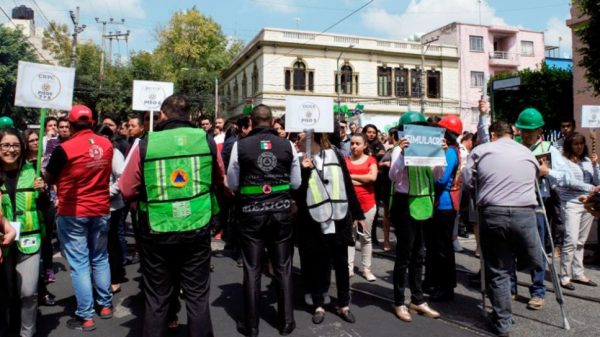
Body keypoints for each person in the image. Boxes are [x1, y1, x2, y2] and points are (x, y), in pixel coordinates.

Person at [120, 95, 222, 337]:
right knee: (197, 298)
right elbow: (220, 178)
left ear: (162, 116)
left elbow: (126, 188)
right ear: (189, 116)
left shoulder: (146, 143)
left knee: (157, 299)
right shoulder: (206, 141)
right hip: (197, 227)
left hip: (156, 230)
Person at [464, 120, 545, 336]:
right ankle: (532, 263)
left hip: (493, 212)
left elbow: (467, 179)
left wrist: (479, 192)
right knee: (530, 255)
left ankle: (503, 322)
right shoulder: (526, 152)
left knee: (498, 269)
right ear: (513, 133)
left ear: (492, 135)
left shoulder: (481, 150)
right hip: (524, 212)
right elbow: (535, 177)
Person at [227, 104, 300, 337]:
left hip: (251, 214)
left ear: (251, 120)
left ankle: (251, 325)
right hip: (280, 213)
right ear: (271, 120)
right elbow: (296, 182)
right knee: (283, 267)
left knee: (252, 268)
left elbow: (232, 183)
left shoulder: (240, 145)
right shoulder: (287, 144)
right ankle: (286, 322)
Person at [45, 105, 114, 331]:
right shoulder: (106, 145)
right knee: (100, 257)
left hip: (73, 212)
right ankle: (105, 305)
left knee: (80, 264)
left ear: (72, 125)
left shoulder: (64, 149)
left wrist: (45, 173)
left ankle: (86, 315)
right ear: (92, 122)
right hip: (101, 209)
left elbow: (49, 176)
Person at [295, 131, 365, 326]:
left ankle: (344, 304)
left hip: (339, 218)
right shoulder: (300, 161)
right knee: (318, 262)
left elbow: (347, 185)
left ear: (312, 137)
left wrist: (358, 213)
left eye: (300, 137)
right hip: (313, 221)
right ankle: (319, 304)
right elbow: (297, 194)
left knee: (341, 263)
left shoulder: (336, 155)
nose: (297, 140)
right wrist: (304, 170)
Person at [514, 107, 571, 310]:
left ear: (540, 130)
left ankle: (538, 291)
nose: (527, 134)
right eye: (523, 130)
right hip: (516, 201)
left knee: (537, 249)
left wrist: (549, 172)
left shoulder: (550, 148)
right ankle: (512, 288)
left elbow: (566, 176)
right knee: (513, 248)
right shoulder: (515, 146)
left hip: (538, 202)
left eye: (531, 130)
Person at [389, 111, 441, 323]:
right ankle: (399, 301)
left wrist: (440, 155)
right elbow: (393, 175)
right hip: (404, 204)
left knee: (419, 254)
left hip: (423, 203)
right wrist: (402, 153)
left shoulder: (428, 149)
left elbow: (437, 176)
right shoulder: (397, 150)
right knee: (404, 256)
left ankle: (417, 299)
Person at [0, 128, 46, 337]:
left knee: (28, 292)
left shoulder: (33, 172)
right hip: (2, 244)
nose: (11, 150)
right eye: (5, 145)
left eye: (15, 145)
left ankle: (27, 332)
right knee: (6, 293)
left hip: (29, 239)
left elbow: (46, 210)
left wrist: (43, 191)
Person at [424, 115, 462, 302]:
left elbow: (440, 179)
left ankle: (445, 287)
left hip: (443, 205)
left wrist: (424, 176)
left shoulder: (450, 152)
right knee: (435, 246)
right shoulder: (449, 150)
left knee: (442, 249)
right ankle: (435, 282)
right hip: (441, 204)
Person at [558, 132, 599, 290]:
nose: (579, 147)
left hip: (588, 203)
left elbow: (597, 181)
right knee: (571, 240)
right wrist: (591, 188)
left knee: (581, 241)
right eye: (575, 144)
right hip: (572, 203)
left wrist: (595, 166)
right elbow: (570, 182)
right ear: (569, 145)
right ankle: (565, 275)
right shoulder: (563, 162)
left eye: (581, 143)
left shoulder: (588, 161)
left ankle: (578, 273)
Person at [345, 133, 378, 281]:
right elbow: (343, 181)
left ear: (365, 145)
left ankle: (366, 269)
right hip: (349, 205)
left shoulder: (371, 160)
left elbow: (372, 178)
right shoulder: (345, 160)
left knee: (366, 237)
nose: (353, 146)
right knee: (350, 237)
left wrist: (351, 177)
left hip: (368, 204)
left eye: (357, 143)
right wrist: (362, 181)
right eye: (352, 143)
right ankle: (349, 267)